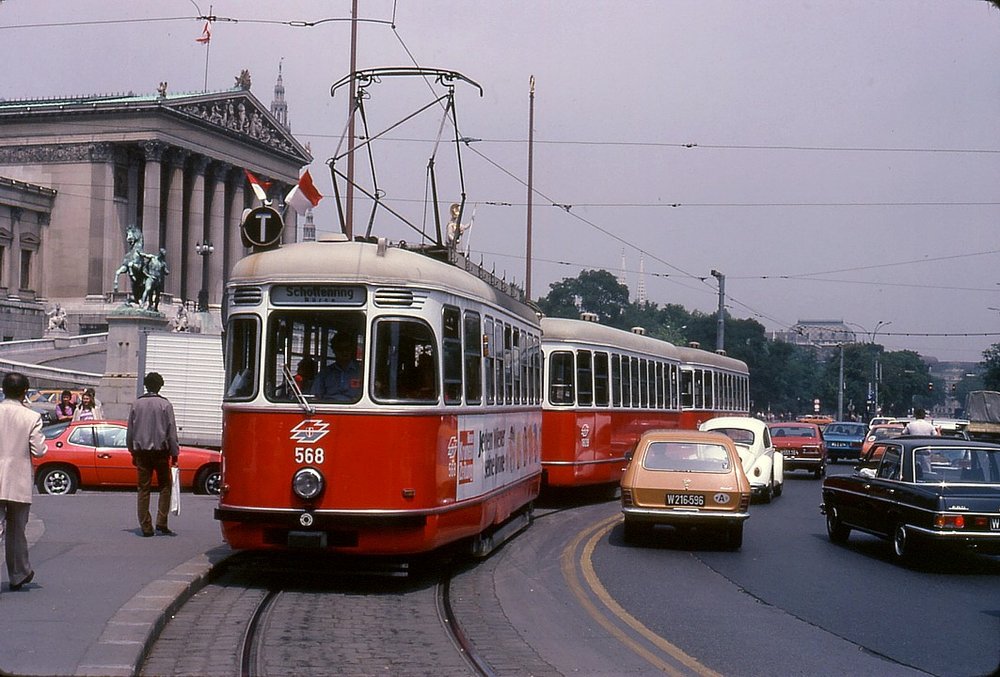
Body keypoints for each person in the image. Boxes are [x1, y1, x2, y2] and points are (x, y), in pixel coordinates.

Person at [0, 372, 47, 591]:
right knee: (17, 530)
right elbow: (39, 450)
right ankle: (19, 573)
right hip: (18, 479)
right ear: (25, 391)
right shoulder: (31, 417)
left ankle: (21, 572)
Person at [126, 372, 179, 537]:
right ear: (160, 386)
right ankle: (161, 521)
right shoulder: (165, 405)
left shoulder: (136, 404)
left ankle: (145, 525)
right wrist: (174, 453)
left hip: (141, 452)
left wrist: (132, 450)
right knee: (165, 486)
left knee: (143, 488)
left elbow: (130, 431)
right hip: (161, 453)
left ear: (146, 385)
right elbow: (171, 432)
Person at [312, 332, 362, 402]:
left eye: (347, 349)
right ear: (334, 350)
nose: (344, 352)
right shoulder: (325, 373)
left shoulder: (362, 372)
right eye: (340, 349)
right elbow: (316, 396)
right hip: (329, 406)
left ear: (352, 350)